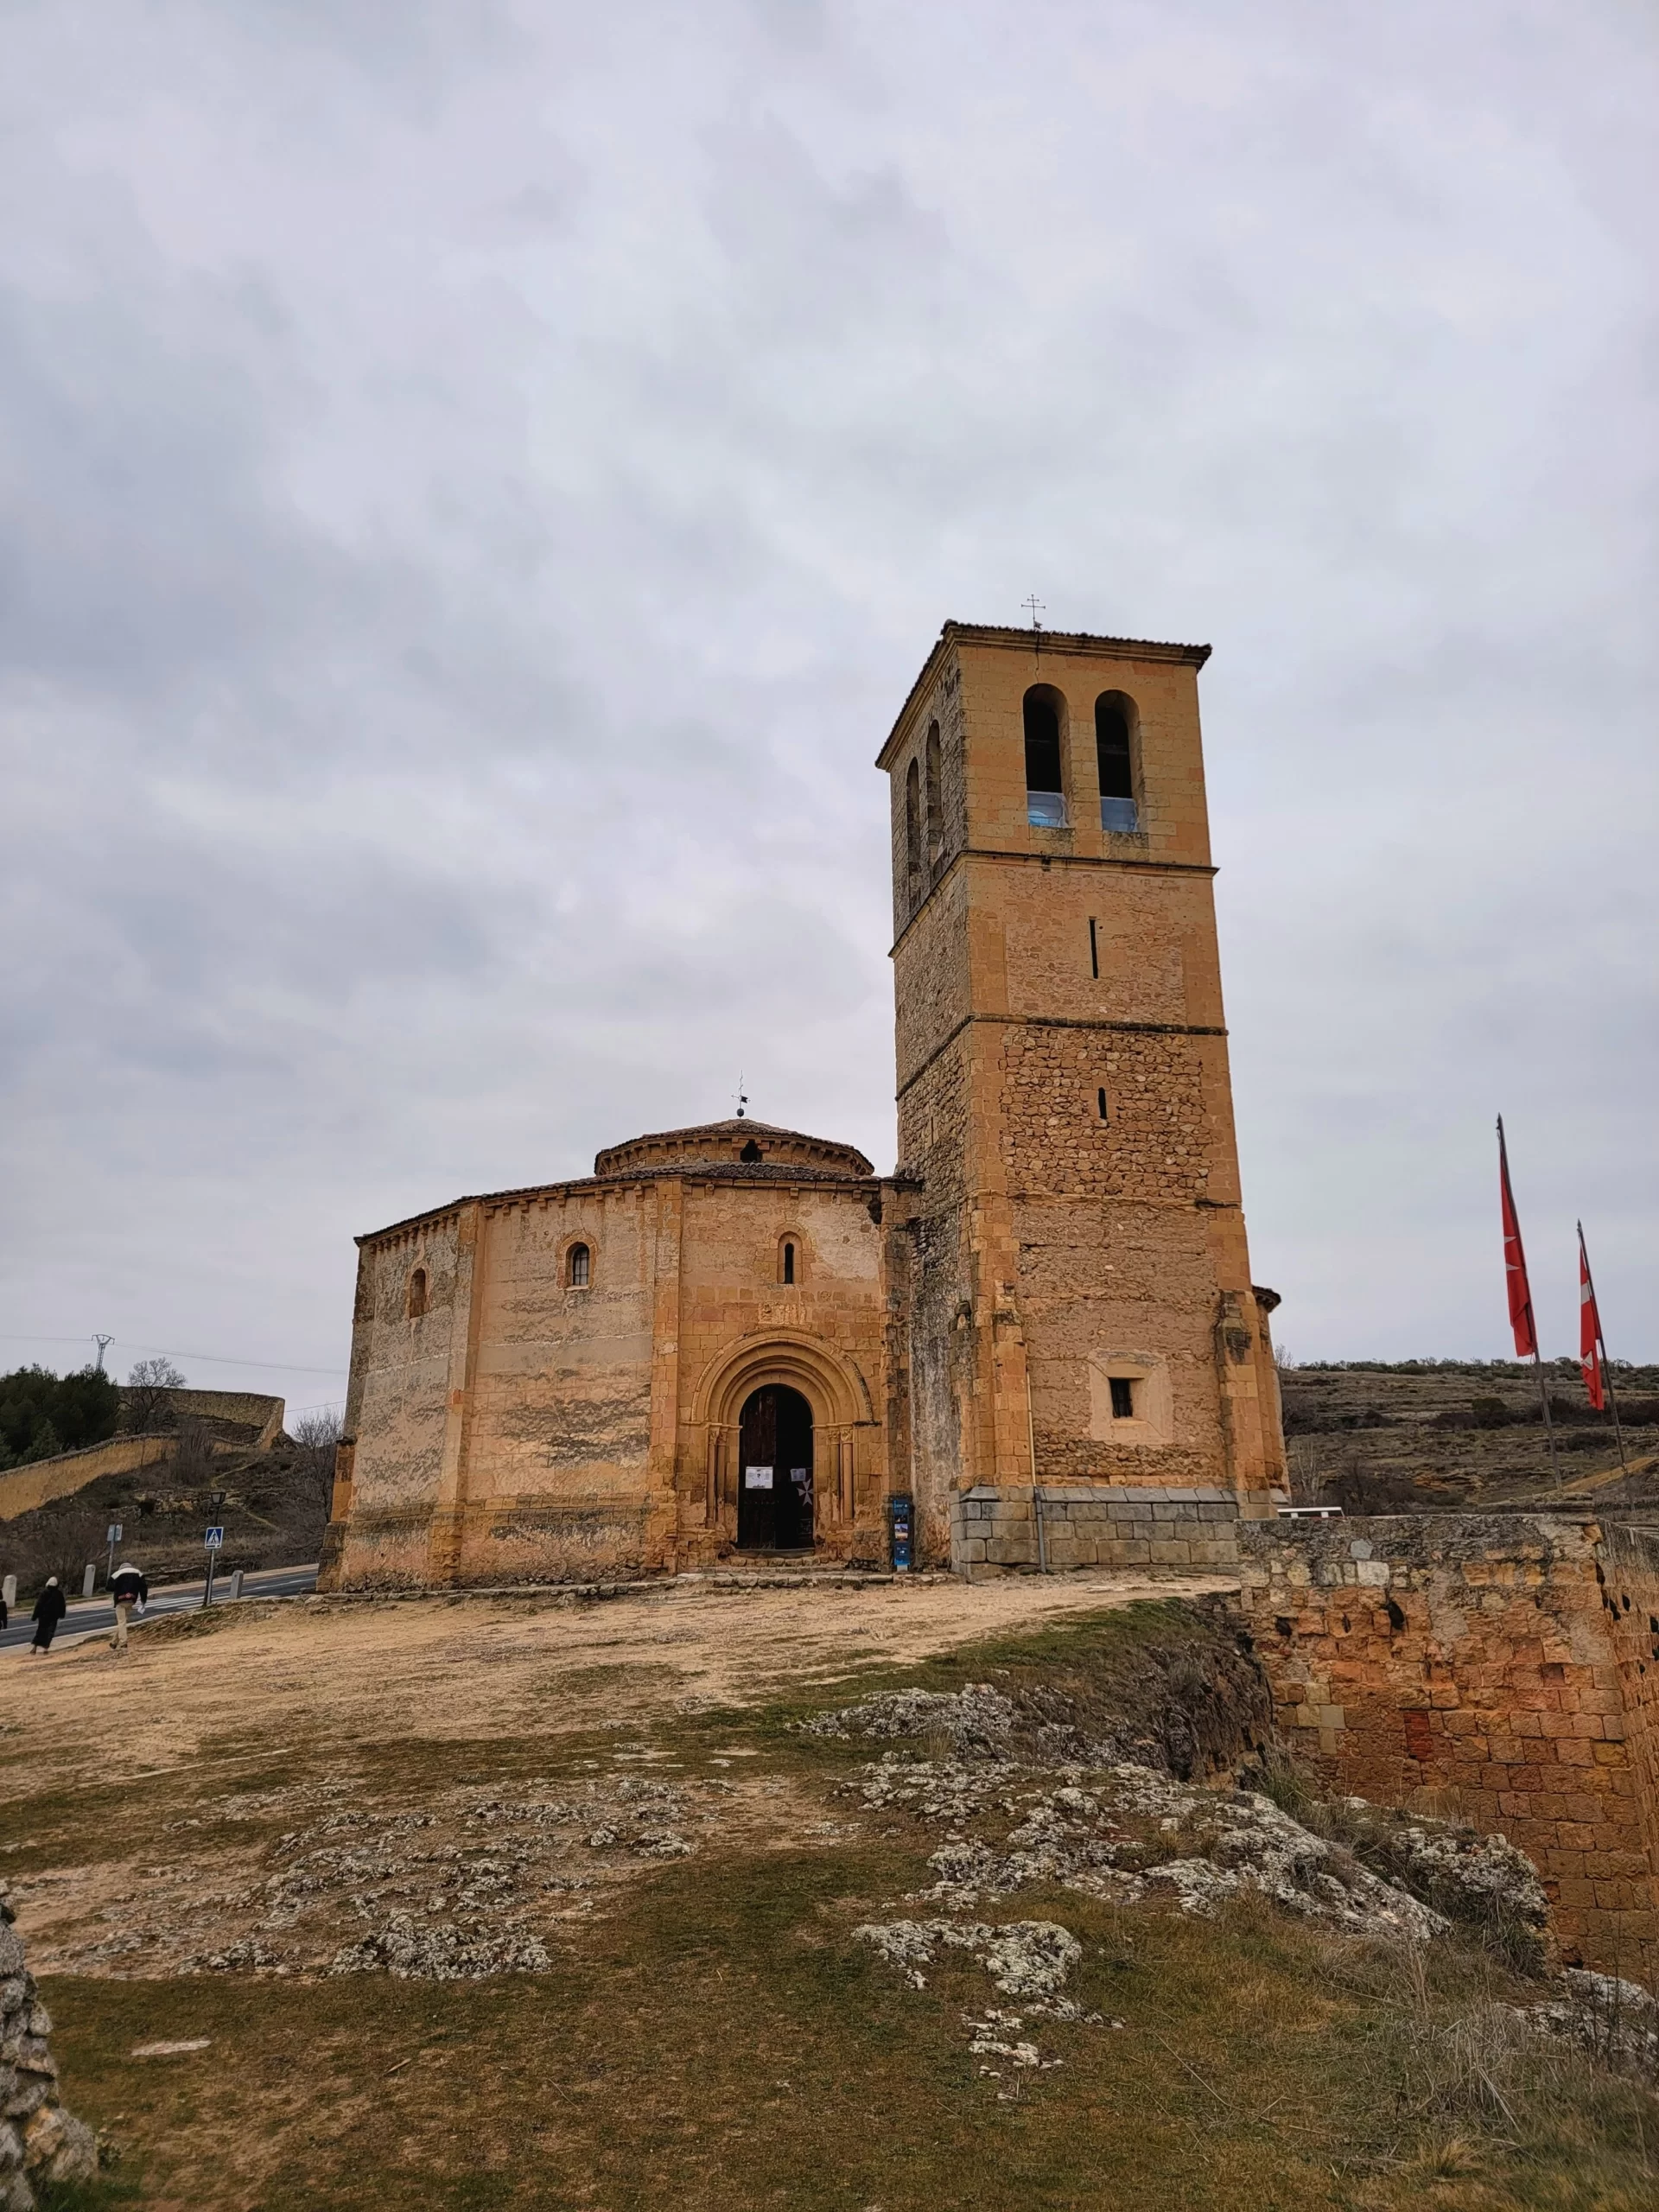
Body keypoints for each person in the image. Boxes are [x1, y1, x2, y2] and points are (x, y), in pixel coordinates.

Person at [109, 1560, 149, 1654]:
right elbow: (144, 1588)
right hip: (131, 1600)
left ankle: (123, 1643)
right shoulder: (138, 1573)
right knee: (123, 1621)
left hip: (120, 1600)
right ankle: (114, 1642)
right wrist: (143, 1601)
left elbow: (109, 1587)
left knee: (121, 1622)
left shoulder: (117, 1574)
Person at [30, 1578, 67, 1655]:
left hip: (43, 1616)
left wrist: (35, 1616)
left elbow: (38, 1605)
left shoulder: (44, 1593)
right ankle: (45, 1649)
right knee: (50, 1632)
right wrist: (62, 1614)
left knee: (40, 1631)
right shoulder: (59, 1594)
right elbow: (62, 1605)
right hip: (54, 1616)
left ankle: (35, 1647)